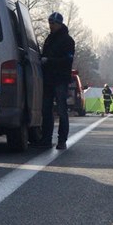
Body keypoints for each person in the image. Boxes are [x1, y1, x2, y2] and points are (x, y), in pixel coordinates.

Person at [40, 12, 75, 150]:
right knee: (46, 110)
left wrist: (49, 61)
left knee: (61, 110)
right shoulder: (49, 39)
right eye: (49, 23)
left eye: (53, 23)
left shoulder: (67, 40)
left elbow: (68, 60)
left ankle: (62, 140)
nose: (51, 26)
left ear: (59, 24)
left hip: (60, 79)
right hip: (48, 79)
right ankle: (46, 139)